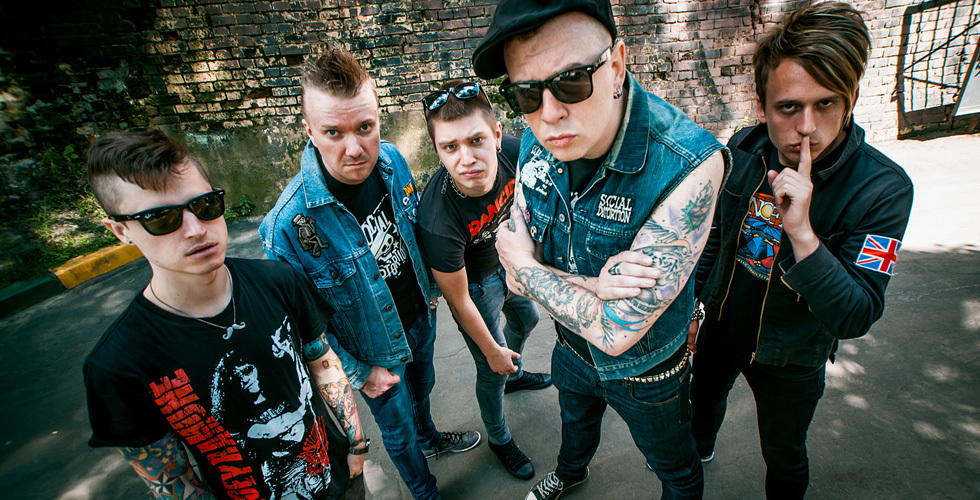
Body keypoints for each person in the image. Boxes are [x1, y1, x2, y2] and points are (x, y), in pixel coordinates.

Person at [472, 1, 728, 499]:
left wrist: (527, 267)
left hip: (648, 370)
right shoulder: (538, 141)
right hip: (570, 346)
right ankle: (571, 473)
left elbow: (614, 330)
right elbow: (512, 271)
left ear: (616, 65)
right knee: (574, 430)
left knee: (675, 469)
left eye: (571, 80)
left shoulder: (689, 164)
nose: (549, 113)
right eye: (525, 93)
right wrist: (590, 284)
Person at [688, 3, 914, 498]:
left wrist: (803, 235)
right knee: (699, 409)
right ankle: (698, 454)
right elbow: (718, 237)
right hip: (721, 329)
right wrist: (696, 308)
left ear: (851, 100)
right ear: (762, 105)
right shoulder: (745, 146)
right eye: (788, 107)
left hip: (792, 356)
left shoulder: (883, 189)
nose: (807, 127)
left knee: (784, 455)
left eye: (826, 103)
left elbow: (856, 315)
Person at [82, 129, 368, 499]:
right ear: (121, 230)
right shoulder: (119, 364)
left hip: (341, 481)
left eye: (204, 205)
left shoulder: (278, 281)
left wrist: (356, 443)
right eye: (160, 218)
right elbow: (173, 480)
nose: (195, 229)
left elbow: (322, 361)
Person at [258, 43, 479, 500]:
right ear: (309, 131)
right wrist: (360, 373)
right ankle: (425, 491)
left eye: (365, 127)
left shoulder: (392, 161)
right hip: (375, 354)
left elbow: (411, 232)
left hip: (419, 319)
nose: (355, 149)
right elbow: (303, 325)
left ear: (378, 118)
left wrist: (430, 293)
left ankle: (431, 438)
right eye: (333, 132)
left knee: (424, 390)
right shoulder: (288, 227)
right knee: (397, 431)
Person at [417, 79, 552, 480]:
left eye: (476, 140)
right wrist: (492, 350)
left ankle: (515, 373)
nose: (466, 159)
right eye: (450, 147)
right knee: (491, 369)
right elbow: (459, 302)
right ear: (438, 150)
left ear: (495, 134)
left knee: (527, 319)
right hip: (476, 287)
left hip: (509, 259)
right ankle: (499, 437)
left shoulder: (515, 152)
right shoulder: (437, 220)